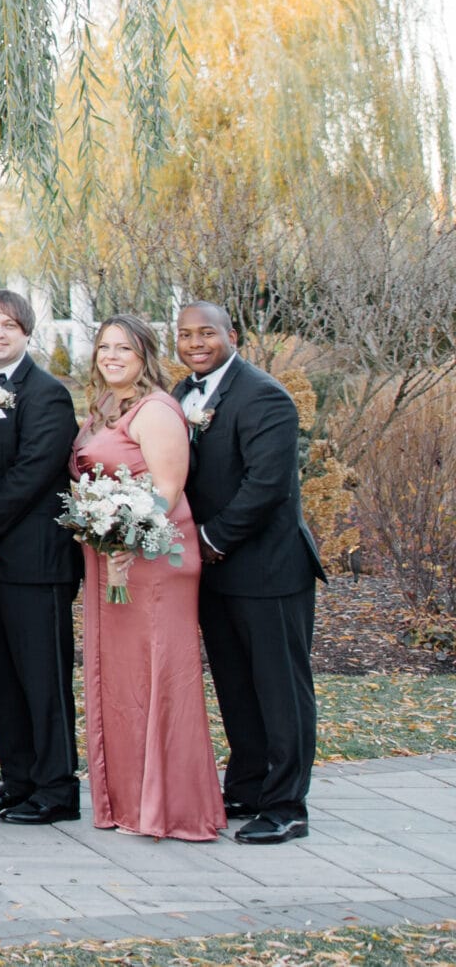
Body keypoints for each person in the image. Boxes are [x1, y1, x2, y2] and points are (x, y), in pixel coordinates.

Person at [175, 301, 325, 844]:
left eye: (206, 332)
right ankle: (246, 785)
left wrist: (210, 539)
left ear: (230, 334)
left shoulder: (265, 395)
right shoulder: (179, 396)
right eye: (186, 334)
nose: (195, 342)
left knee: (280, 689)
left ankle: (287, 805)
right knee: (236, 686)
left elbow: (267, 485)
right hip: (212, 573)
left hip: (269, 570)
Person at [76, 314, 222, 842]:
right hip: (112, 558)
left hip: (154, 559)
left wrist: (124, 540)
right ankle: (131, 801)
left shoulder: (157, 410)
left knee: (158, 674)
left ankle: (173, 806)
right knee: (121, 680)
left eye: (123, 348)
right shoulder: (102, 409)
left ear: (144, 355)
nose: (111, 356)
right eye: (104, 347)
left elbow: (168, 488)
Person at [0, 289, 82, 826]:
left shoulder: (48, 394)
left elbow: (33, 472)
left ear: (27, 333)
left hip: (33, 559)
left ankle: (57, 788)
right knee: (0, 676)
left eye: (10, 324)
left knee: (41, 676)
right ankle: (20, 777)